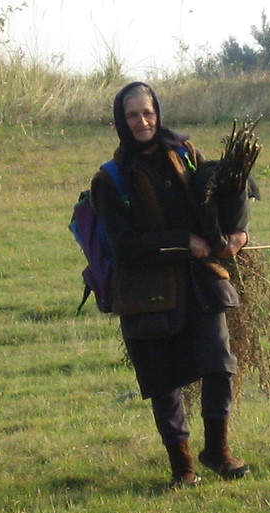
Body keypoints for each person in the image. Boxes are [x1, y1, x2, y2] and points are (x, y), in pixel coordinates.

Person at [90, 82, 250, 489]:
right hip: (146, 291)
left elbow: (218, 198)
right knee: (164, 380)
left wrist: (237, 233)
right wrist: (183, 243)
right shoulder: (109, 181)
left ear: (158, 112)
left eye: (148, 113)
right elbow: (125, 246)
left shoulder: (186, 154)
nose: (143, 122)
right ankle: (182, 468)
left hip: (201, 280)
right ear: (120, 121)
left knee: (219, 363)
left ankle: (217, 451)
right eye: (133, 115)